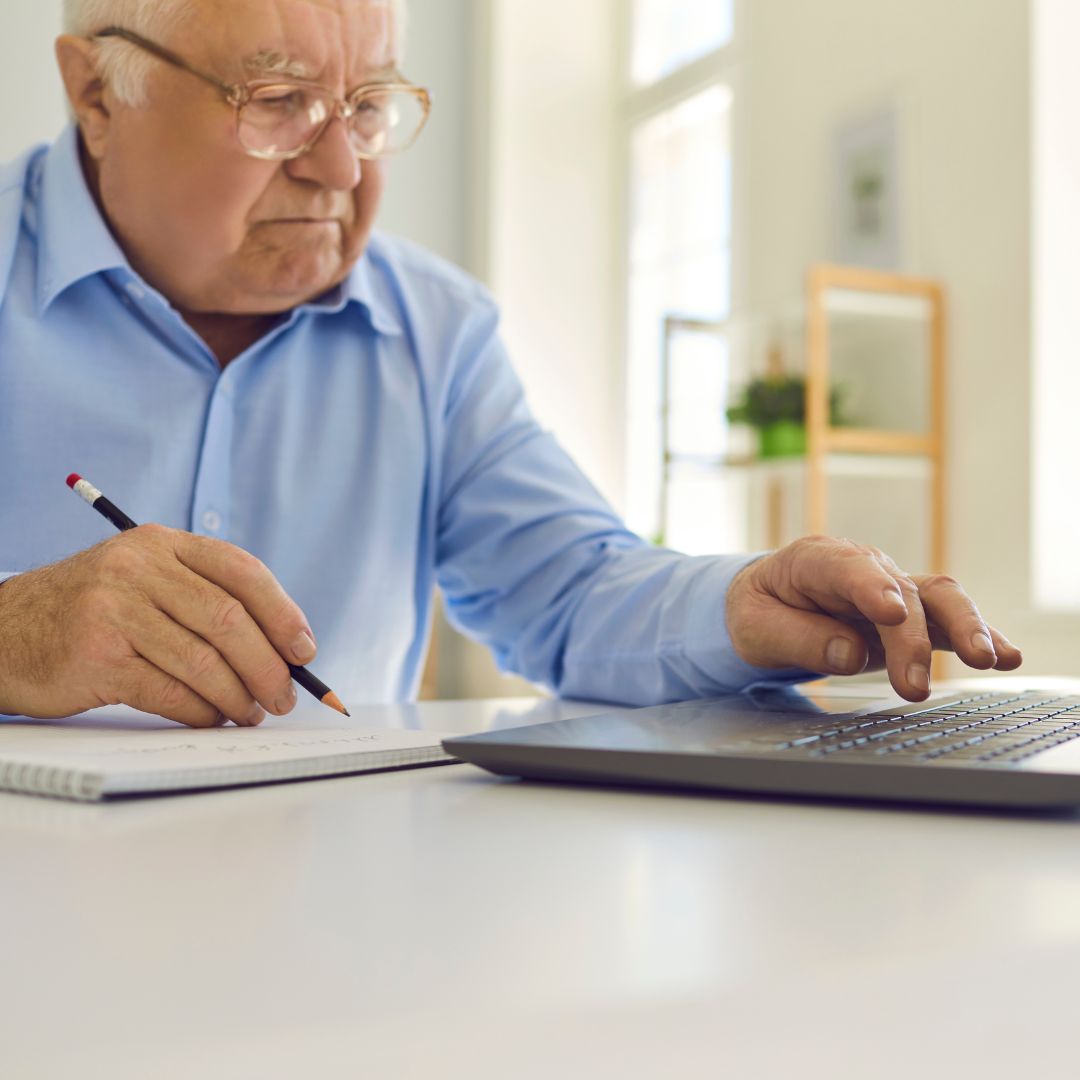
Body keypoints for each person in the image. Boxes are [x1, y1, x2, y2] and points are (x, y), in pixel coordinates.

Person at [0, 0, 1021, 728]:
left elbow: (573, 593)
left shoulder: (437, 327)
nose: (343, 167)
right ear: (95, 89)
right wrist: (19, 630)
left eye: (369, 105)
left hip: (329, 908)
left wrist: (743, 606)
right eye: (278, 99)